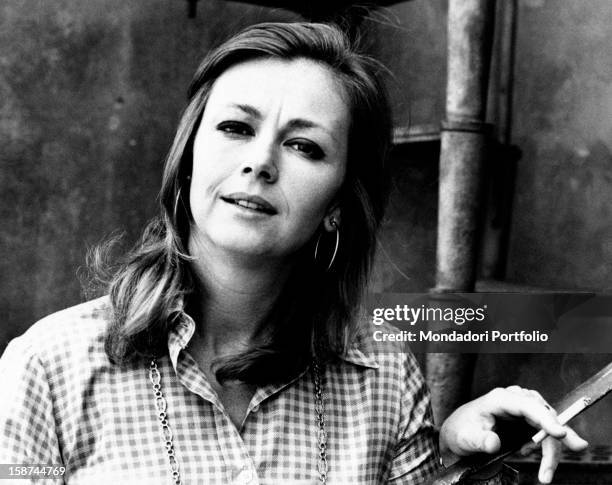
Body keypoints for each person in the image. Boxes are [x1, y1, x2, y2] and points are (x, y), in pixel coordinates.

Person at [0, 22, 587, 485]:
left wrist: (457, 458)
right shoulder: (49, 369)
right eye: (235, 128)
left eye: (305, 145)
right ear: (187, 163)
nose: (260, 161)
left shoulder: (382, 385)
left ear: (336, 203)